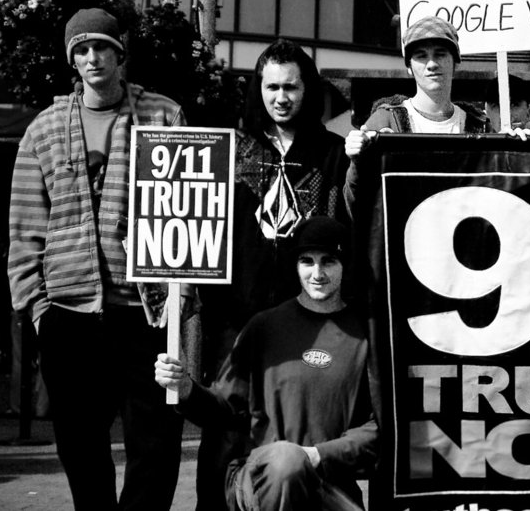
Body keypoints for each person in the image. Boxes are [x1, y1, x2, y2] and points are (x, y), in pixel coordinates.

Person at [8, 7, 187, 510]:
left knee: (157, 444)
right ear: (72, 59)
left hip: (144, 313)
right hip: (67, 316)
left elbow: (191, 213)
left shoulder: (163, 115)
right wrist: (38, 311)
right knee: (80, 447)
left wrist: (181, 297)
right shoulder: (43, 130)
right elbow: (24, 228)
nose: (93, 57)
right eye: (82, 49)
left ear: (120, 53)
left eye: (102, 46)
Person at [197, 39, 352, 511]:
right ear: (257, 90)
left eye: (291, 86)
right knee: (226, 428)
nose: (280, 97)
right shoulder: (229, 148)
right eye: (271, 87)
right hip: (236, 317)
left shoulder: (333, 152)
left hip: (305, 316)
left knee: (302, 425)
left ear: (308, 90)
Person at [154, 215, 379, 511]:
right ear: (295, 266)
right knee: (286, 461)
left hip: (328, 486)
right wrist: (185, 389)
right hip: (258, 479)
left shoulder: (367, 335)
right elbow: (224, 410)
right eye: (307, 261)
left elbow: (381, 426)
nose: (318, 273)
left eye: (328, 261)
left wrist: (318, 455)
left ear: (345, 264)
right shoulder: (264, 327)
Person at [345, 16, 493, 155]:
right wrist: (357, 160)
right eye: (421, 56)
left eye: (440, 54)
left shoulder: (481, 127)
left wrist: (513, 149)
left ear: (456, 63)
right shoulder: (385, 121)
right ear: (409, 67)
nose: (432, 64)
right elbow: (358, 183)